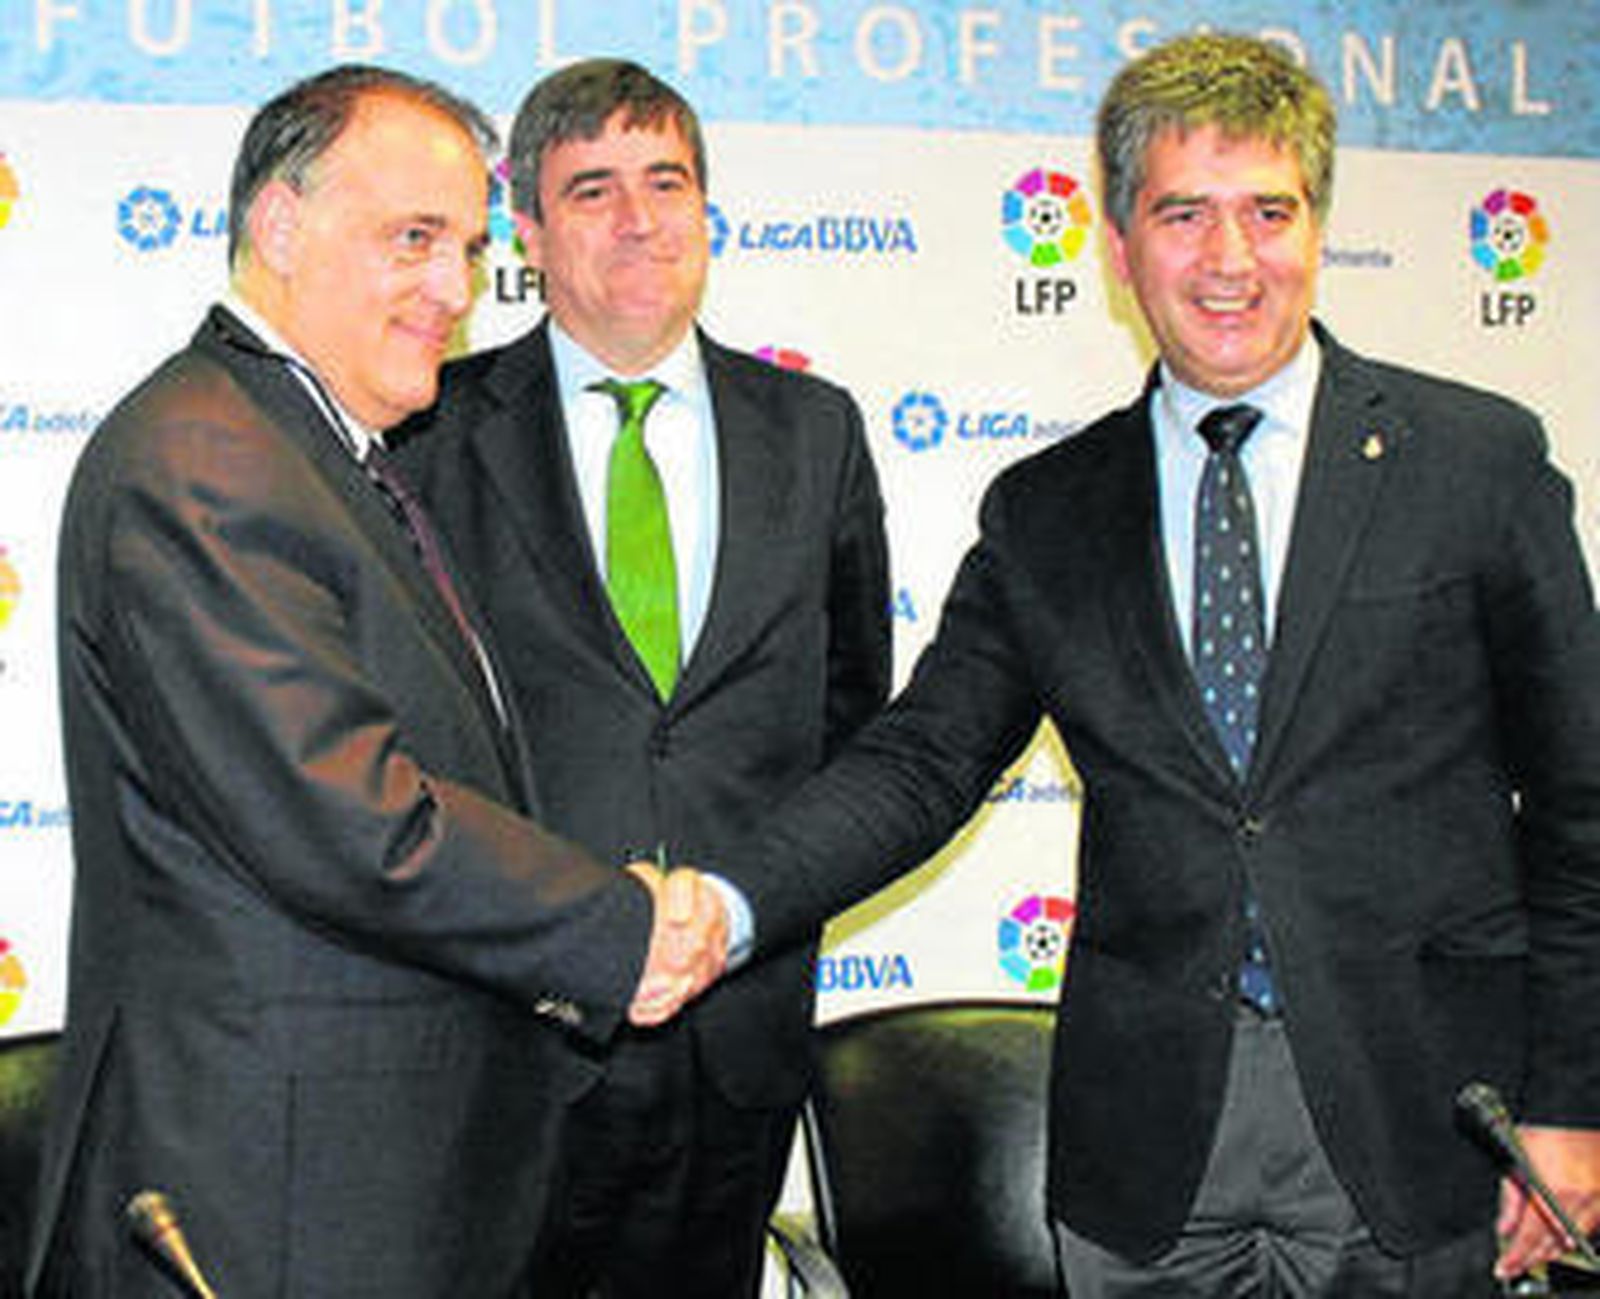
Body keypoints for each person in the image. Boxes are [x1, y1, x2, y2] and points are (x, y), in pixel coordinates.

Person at [711, 32, 1600, 1296]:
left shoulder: (1477, 462)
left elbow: (1582, 808)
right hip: (1150, 1149)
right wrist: (728, 900)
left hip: (1420, 1127)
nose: (1229, 260)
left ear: (1316, 227)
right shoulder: (1048, 510)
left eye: (1267, 212)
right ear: (1119, 246)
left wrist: (1570, 1106)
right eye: (1183, 213)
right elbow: (920, 763)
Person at [30, 64, 723, 1299]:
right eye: (412, 240)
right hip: (268, 1202)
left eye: (463, 248)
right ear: (279, 225)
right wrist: (620, 929)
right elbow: (353, 821)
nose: (454, 292)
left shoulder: (316, 453)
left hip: (366, 1180)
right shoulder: (204, 459)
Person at [395, 56, 891, 1298]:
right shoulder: (427, 433)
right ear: (528, 229)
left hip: (741, 1032)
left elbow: (854, 722)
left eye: (666, 181)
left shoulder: (813, 429)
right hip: (515, 1034)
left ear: (707, 207)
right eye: (593, 189)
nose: (638, 219)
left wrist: (750, 912)